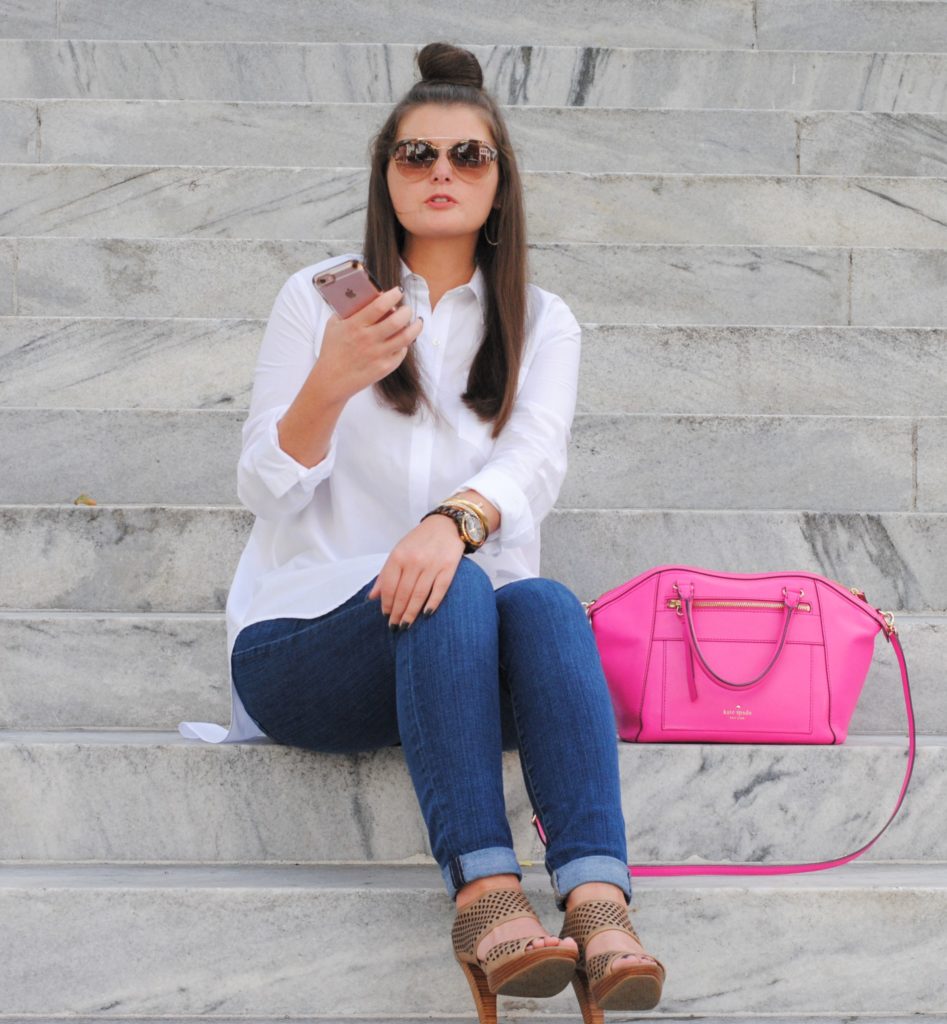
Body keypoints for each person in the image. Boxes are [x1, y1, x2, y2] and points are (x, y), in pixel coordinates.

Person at [179, 42, 664, 1024]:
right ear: (385, 175)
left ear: (499, 181)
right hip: (307, 643)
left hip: (470, 650)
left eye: (466, 156)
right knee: (466, 589)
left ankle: (595, 901)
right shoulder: (317, 298)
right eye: (416, 155)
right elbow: (265, 489)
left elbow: (533, 461)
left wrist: (451, 523)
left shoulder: (541, 319)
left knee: (541, 601)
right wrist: (331, 378)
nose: (441, 172)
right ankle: (486, 895)